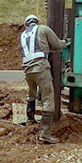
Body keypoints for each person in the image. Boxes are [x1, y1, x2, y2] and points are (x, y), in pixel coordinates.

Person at [20, 13, 65, 144]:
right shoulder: (43, 29)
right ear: (36, 22)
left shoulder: (23, 35)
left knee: (32, 93)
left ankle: (30, 119)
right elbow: (56, 45)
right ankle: (46, 133)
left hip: (28, 70)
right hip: (40, 67)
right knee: (48, 97)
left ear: (26, 24)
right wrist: (65, 42)